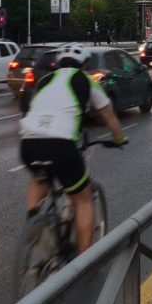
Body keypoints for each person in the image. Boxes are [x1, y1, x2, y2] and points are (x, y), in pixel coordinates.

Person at [19, 44, 128, 254]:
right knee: (83, 200)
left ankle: (33, 221)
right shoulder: (86, 80)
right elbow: (108, 115)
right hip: (61, 145)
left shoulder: (44, 81)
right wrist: (120, 138)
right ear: (85, 65)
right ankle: (83, 263)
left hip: (28, 142)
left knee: (39, 178)